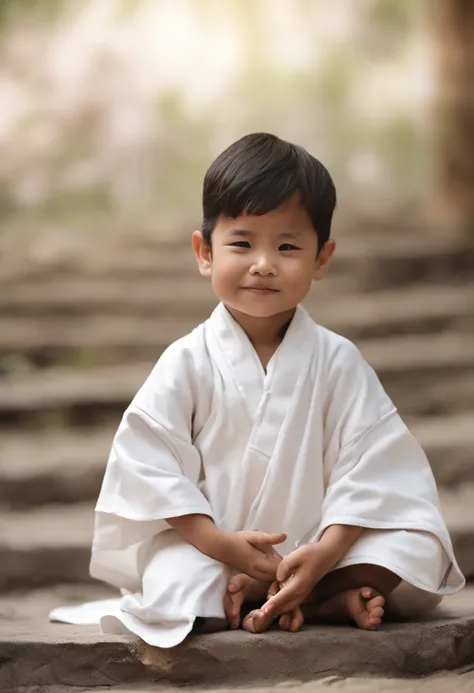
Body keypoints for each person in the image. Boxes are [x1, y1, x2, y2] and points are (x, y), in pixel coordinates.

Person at [51, 133, 464, 647]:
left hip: (317, 548)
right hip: (215, 550)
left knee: (415, 545)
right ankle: (276, 593)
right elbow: (148, 466)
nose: (264, 263)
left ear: (322, 257)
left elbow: (376, 468)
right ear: (204, 252)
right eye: (242, 243)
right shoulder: (186, 361)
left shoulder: (338, 361)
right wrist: (220, 545)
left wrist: (328, 549)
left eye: (287, 246)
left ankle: (307, 592)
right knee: (176, 578)